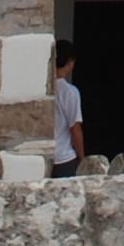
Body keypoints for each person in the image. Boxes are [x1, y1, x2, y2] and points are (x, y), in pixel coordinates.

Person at [48, 40, 86, 177]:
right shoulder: (70, 92)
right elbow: (75, 128)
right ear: (70, 62)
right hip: (64, 158)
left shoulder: (43, 88)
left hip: (46, 157)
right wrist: (82, 159)